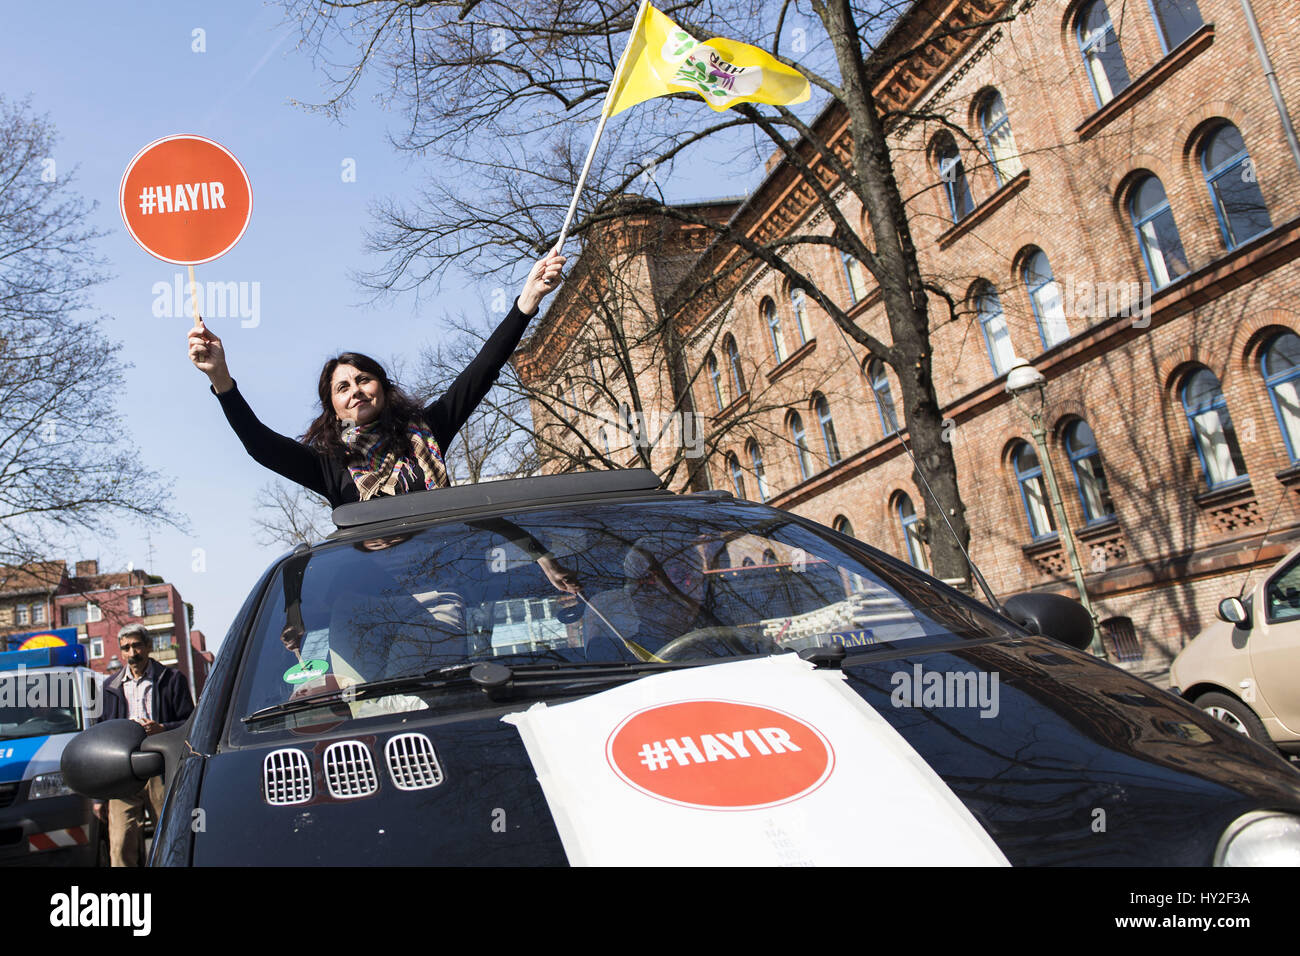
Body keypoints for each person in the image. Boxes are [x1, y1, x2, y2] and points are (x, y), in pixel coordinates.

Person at [186, 251, 566, 507]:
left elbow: (481, 371)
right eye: (342, 387)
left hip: (444, 584)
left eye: (363, 379)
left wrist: (526, 301)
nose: (356, 391)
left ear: (382, 388)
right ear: (333, 409)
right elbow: (260, 445)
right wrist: (221, 377)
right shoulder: (329, 465)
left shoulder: (427, 430)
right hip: (369, 607)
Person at [97, 623, 196, 867]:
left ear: (148, 646)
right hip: (123, 774)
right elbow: (99, 738)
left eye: (137, 645)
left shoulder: (171, 680)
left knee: (171, 839)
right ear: (121, 652)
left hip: (160, 769)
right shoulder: (109, 687)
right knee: (120, 846)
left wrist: (163, 728)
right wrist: (98, 797)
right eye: (126, 648)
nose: (132, 653)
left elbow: (192, 723)